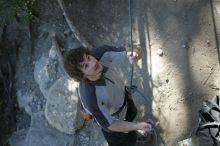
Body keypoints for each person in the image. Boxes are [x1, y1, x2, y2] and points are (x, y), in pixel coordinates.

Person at [63, 45, 154, 146]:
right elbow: (110, 124)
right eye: (86, 66)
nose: (93, 63)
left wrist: (131, 54)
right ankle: (134, 140)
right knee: (123, 141)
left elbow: (125, 51)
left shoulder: (99, 53)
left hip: (125, 99)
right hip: (113, 118)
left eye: (88, 58)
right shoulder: (90, 98)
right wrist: (137, 126)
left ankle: (136, 133)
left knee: (132, 115)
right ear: (82, 76)